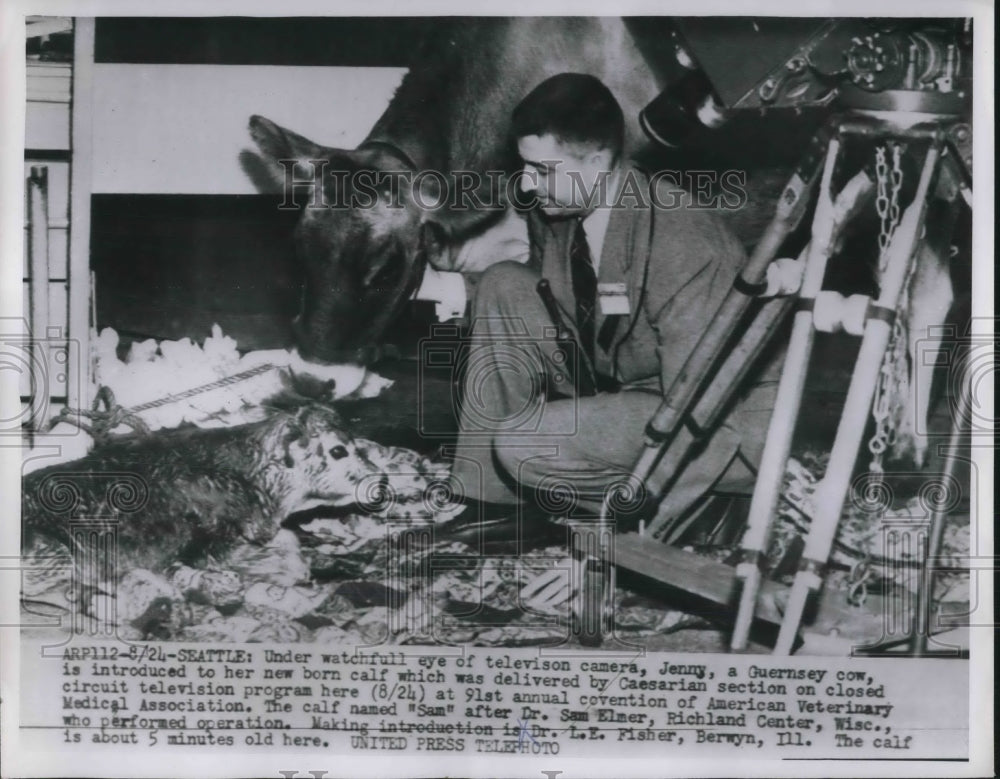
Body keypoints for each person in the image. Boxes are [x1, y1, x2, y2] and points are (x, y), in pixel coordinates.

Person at [430, 74, 776, 602]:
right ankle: (497, 504)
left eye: (543, 171)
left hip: (716, 426)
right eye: (525, 168)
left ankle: (695, 509)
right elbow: (572, 300)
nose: (528, 185)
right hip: (633, 375)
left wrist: (608, 552)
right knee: (503, 284)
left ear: (598, 164)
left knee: (524, 442)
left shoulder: (682, 238)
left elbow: (704, 413)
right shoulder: (564, 204)